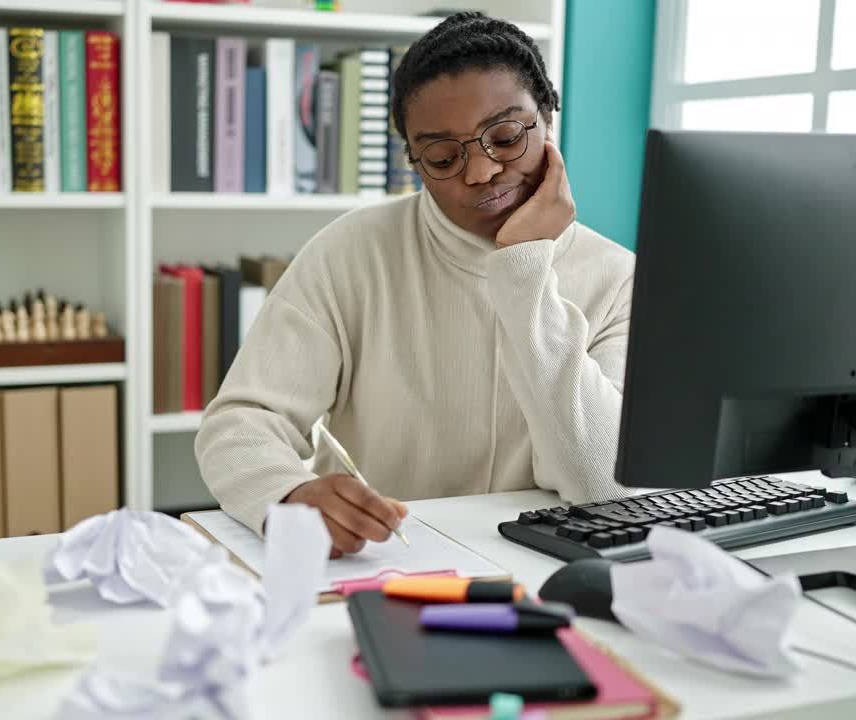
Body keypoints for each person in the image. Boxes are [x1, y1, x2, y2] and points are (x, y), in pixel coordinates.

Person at [196, 12, 635, 557]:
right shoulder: (350, 252)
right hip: (383, 562)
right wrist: (286, 494)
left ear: (548, 120)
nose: (480, 172)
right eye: (444, 158)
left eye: (503, 137)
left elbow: (605, 484)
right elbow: (240, 422)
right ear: (414, 164)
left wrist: (525, 268)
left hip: (544, 574)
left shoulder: (617, 279)